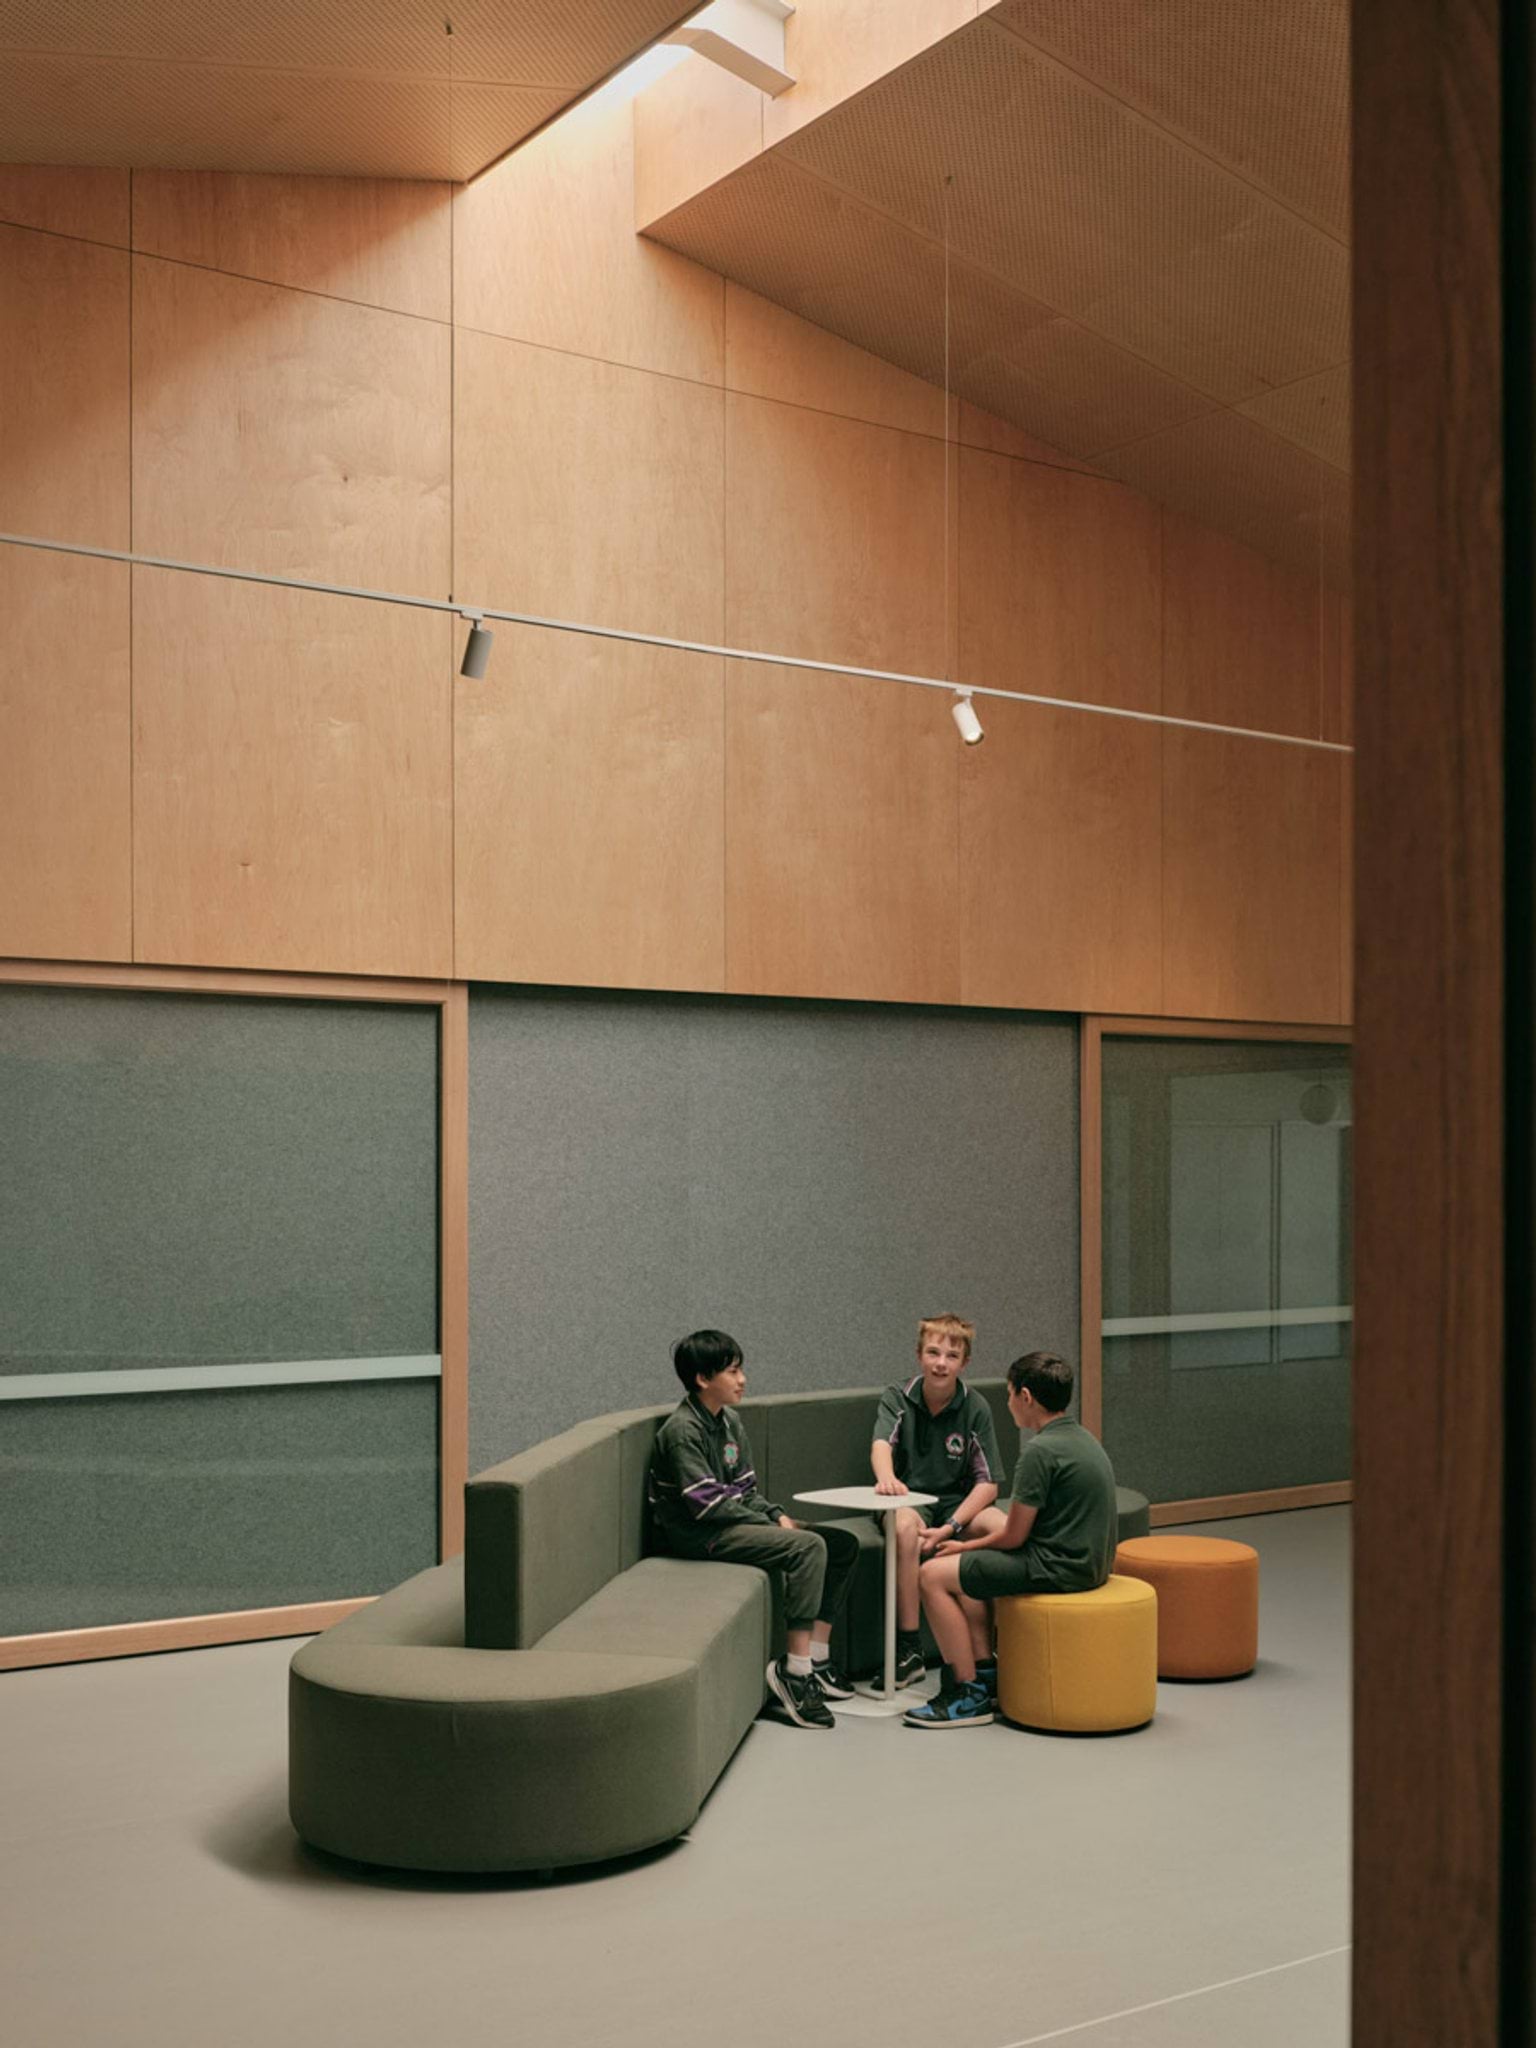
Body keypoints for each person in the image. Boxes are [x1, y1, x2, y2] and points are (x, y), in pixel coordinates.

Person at [649, 1329, 860, 1730]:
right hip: (696, 1536)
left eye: (741, 1369)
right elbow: (707, 1505)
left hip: (728, 1522)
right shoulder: (682, 1432)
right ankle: (795, 1673)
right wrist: (770, 1521)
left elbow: (744, 1490)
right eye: (732, 1371)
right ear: (702, 1379)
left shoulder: (730, 1423)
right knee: (808, 1548)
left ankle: (816, 1656)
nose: (743, 1379)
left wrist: (775, 1514)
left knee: (842, 1544)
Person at [904, 1349, 1117, 1729]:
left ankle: (966, 1693)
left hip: (1055, 1568)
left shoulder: (1040, 1452)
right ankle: (985, 1672)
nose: (1008, 1403)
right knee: (963, 1575)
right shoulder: (1084, 1439)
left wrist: (961, 1546)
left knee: (932, 1575)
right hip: (1089, 1564)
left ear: (1026, 1397)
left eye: (1009, 1394)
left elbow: (1014, 1537)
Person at [870, 1312, 1008, 1687]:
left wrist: (952, 1527)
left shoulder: (975, 1406)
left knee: (1000, 1526)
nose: (941, 1363)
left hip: (955, 1505)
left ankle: (990, 1654)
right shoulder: (898, 1396)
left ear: (964, 1363)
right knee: (903, 1529)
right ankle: (909, 1648)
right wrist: (887, 1478)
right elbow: (882, 1444)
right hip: (910, 1499)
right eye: (933, 1352)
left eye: (951, 1356)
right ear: (919, 1356)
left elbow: (988, 1485)